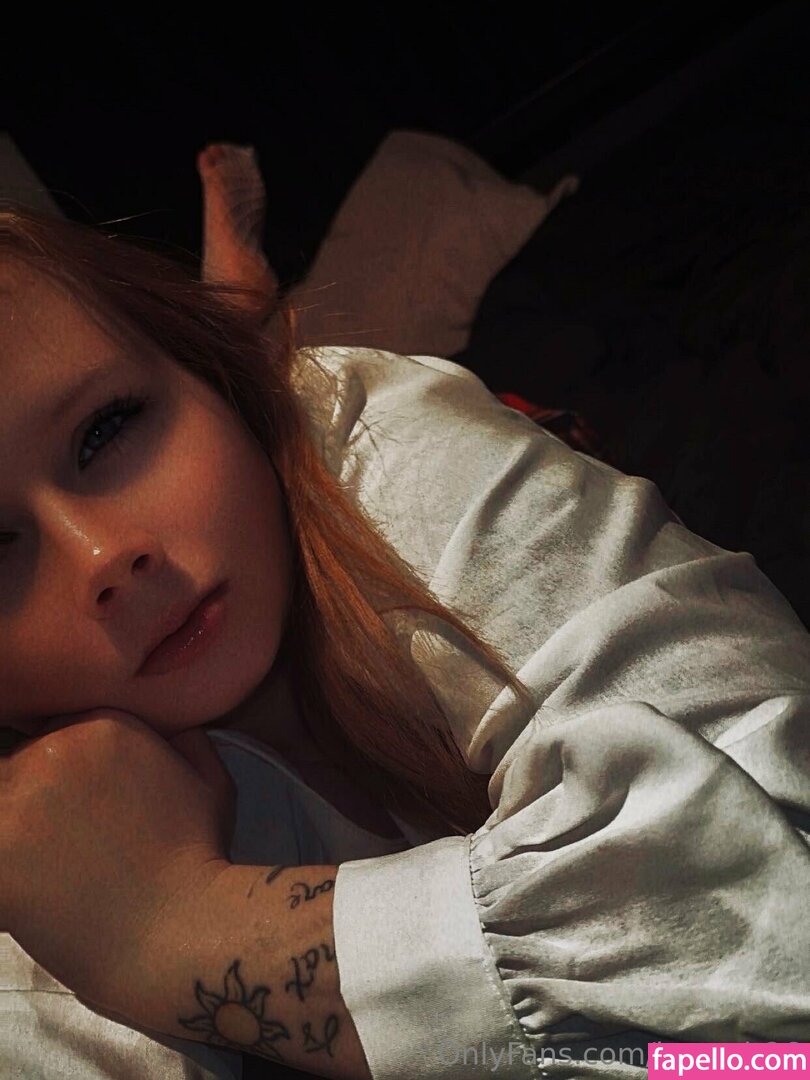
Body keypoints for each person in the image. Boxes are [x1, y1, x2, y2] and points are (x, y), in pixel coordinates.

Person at [0, 142, 808, 1080]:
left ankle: (240, 306)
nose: (104, 556)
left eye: (107, 429)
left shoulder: (375, 440)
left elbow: (778, 964)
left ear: (208, 383)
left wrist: (183, 927)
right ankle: (239, 299)